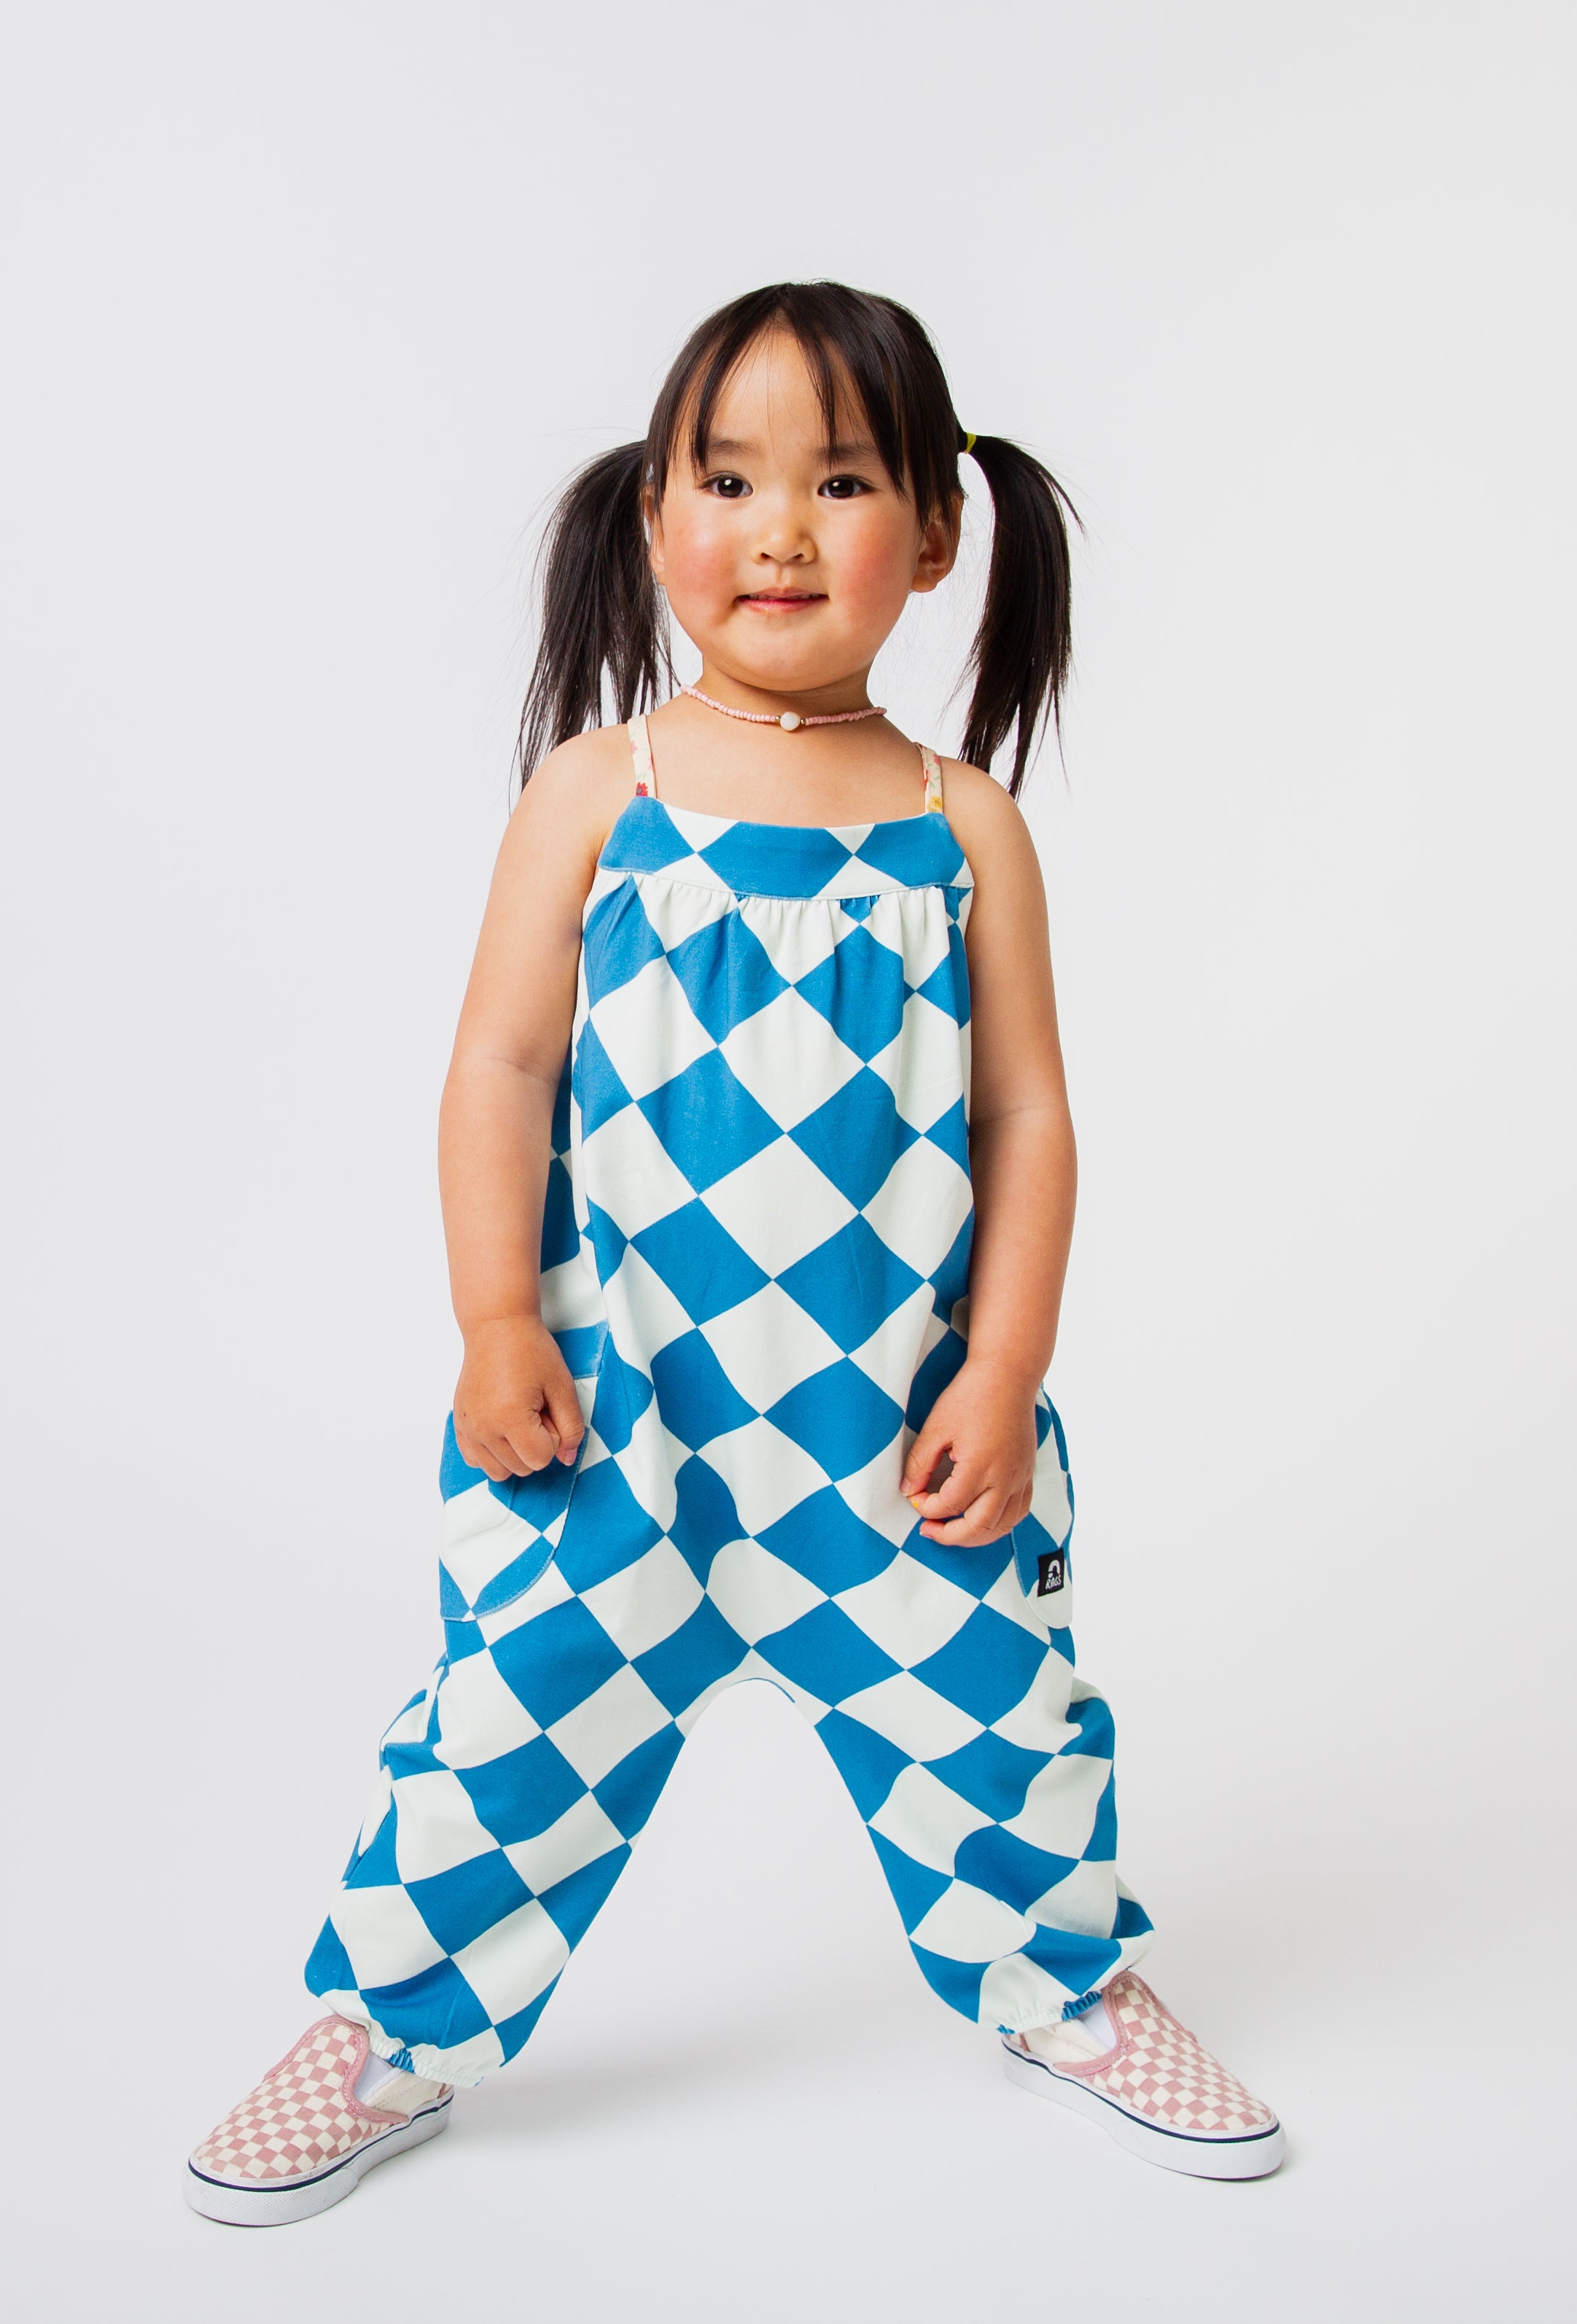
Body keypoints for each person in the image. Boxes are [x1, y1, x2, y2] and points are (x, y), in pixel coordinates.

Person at [184, 282, 1283, 2225]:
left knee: (996, 1720)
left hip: (891, 1434)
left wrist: (1005, 1367)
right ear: (651, 516)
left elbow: (1028, 1117)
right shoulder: (595, 793)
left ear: (932, 534)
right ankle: (387, 2027)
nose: (781, 528)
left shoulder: (962, 829)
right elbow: (497, 1065)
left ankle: (1065, 1987)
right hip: (614, 1420)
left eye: (841, 482)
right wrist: (494, 1317)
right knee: (508, 1726)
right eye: (729, 479)